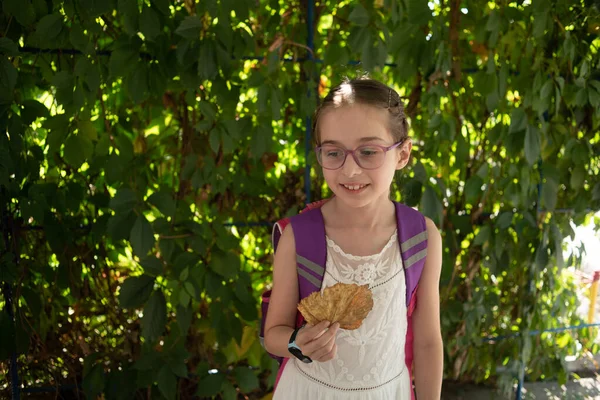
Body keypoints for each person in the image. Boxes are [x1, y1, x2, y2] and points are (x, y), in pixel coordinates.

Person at [263, 78, 443, 399]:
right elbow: (274, 332)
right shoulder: (298, 237)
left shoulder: (422, 237)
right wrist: (296, 342)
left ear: (402, 154)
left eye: (369, 151)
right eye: (333, 152)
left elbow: (429, 342)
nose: (349, 170)